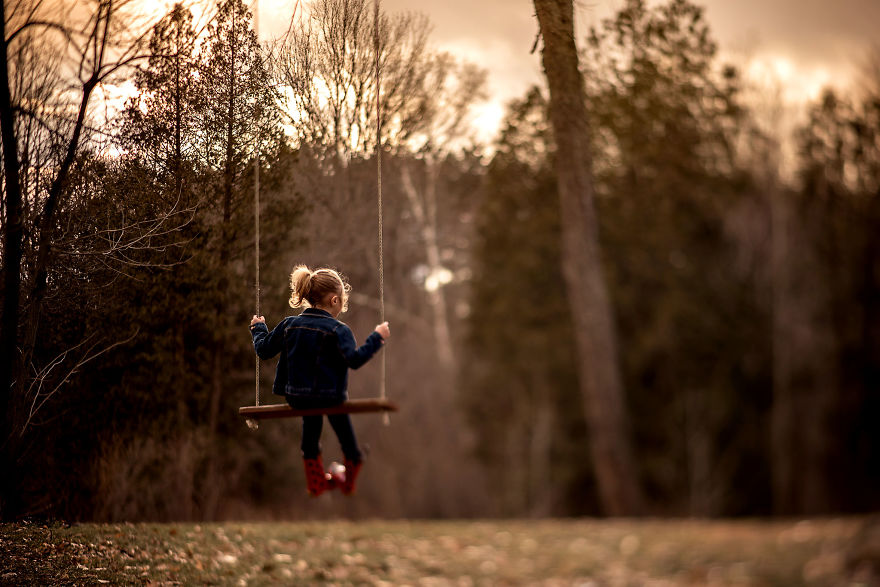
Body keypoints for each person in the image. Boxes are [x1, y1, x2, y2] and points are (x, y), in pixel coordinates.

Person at [249, 265, 390, 496]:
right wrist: (377, 338)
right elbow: (354, 361)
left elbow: (263, 350)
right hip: (330, 398)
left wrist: (258, 328)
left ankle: (317, 483)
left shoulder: (288, 325)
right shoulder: (339, 330)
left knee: (310, 435)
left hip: (298, 397)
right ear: (335, 300)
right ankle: (347, 480)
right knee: (348, 441)